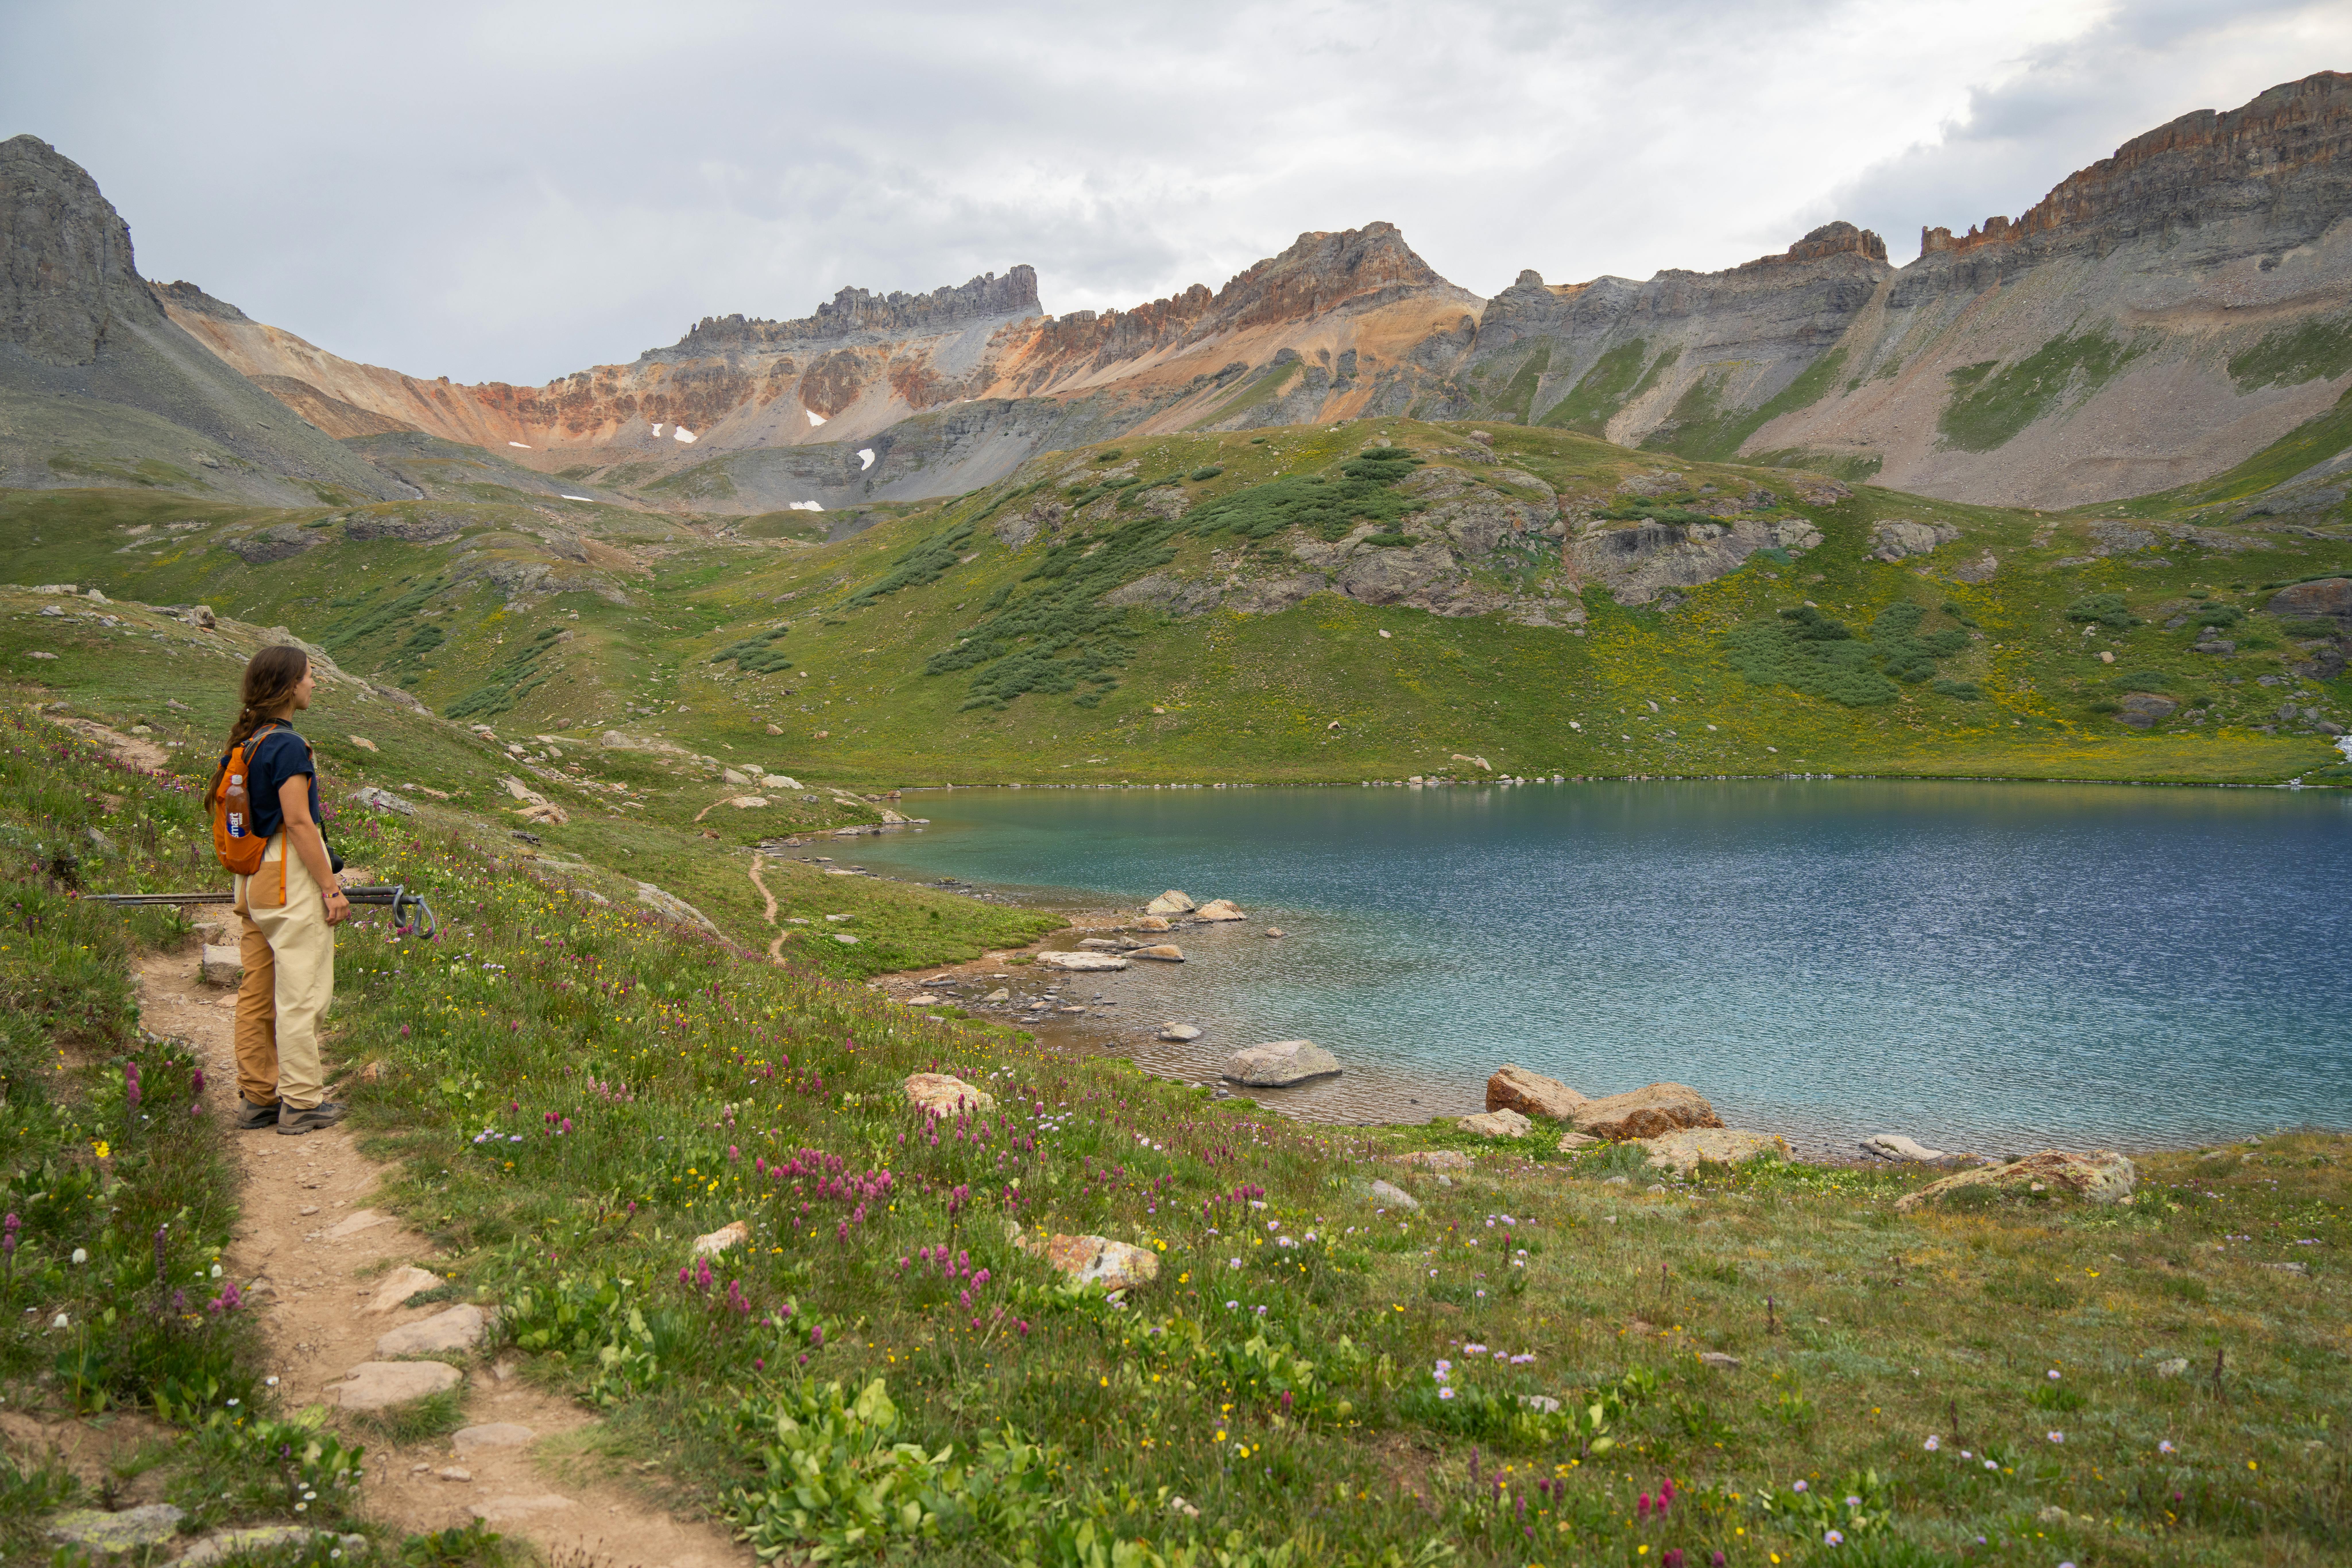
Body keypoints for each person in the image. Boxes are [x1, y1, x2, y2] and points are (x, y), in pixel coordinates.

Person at [214, 645, 351, 1134]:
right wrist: (331, 888)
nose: (315, 684)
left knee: (257, 992)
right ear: (289, 686)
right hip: (287, 876)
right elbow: (298, 821)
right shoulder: (289, 746)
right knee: (301, 991)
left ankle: (258, 1096)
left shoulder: (247, 741)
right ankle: (302, 1102)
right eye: (310, 677)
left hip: (250, 879)